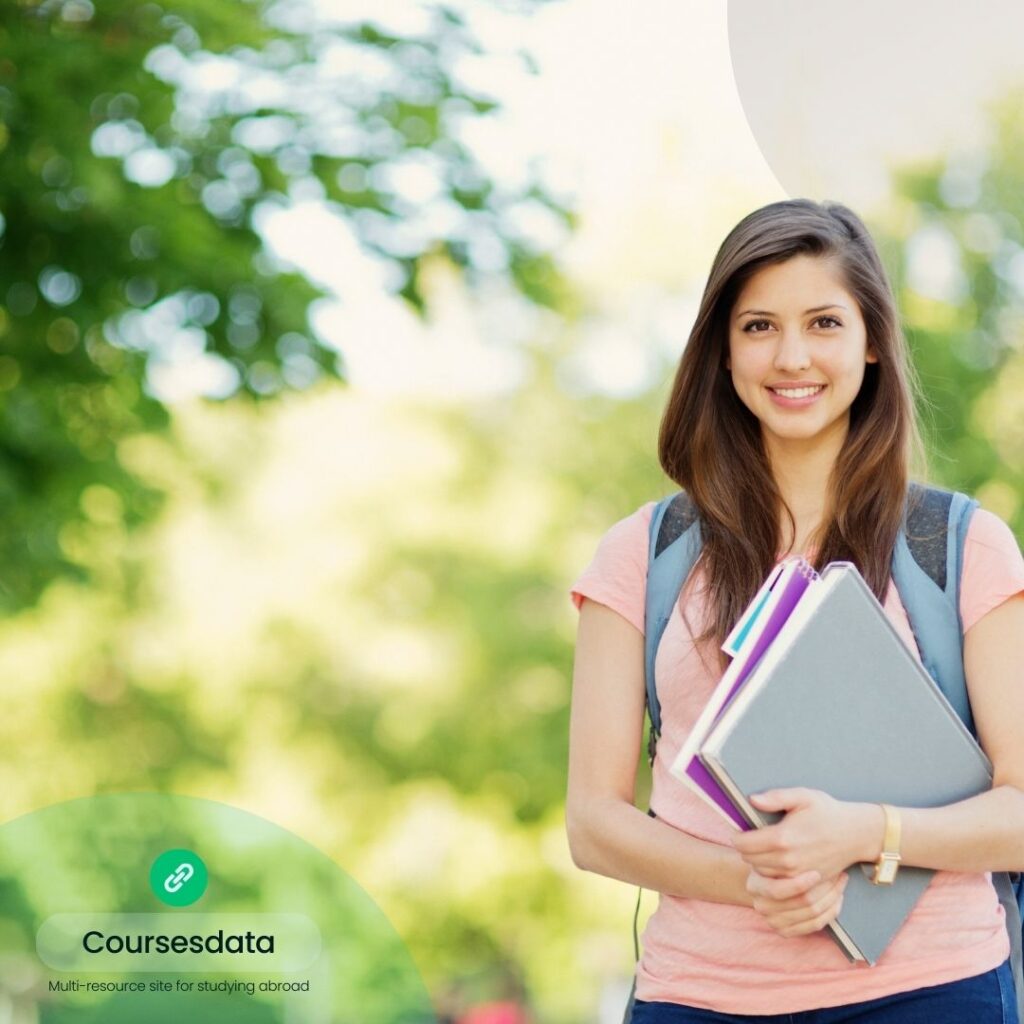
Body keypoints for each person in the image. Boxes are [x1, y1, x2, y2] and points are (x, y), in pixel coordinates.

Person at [566, 198, 1024, 1023]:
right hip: (699, 996)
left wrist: (866, 834)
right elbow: (593, 824)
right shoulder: (641, 554)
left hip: (933, 989)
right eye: (758, 327)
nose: (791, 357)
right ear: (722, 351)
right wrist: (756, 878)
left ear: (872, 341)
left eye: (823, 322)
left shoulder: (963, 547)